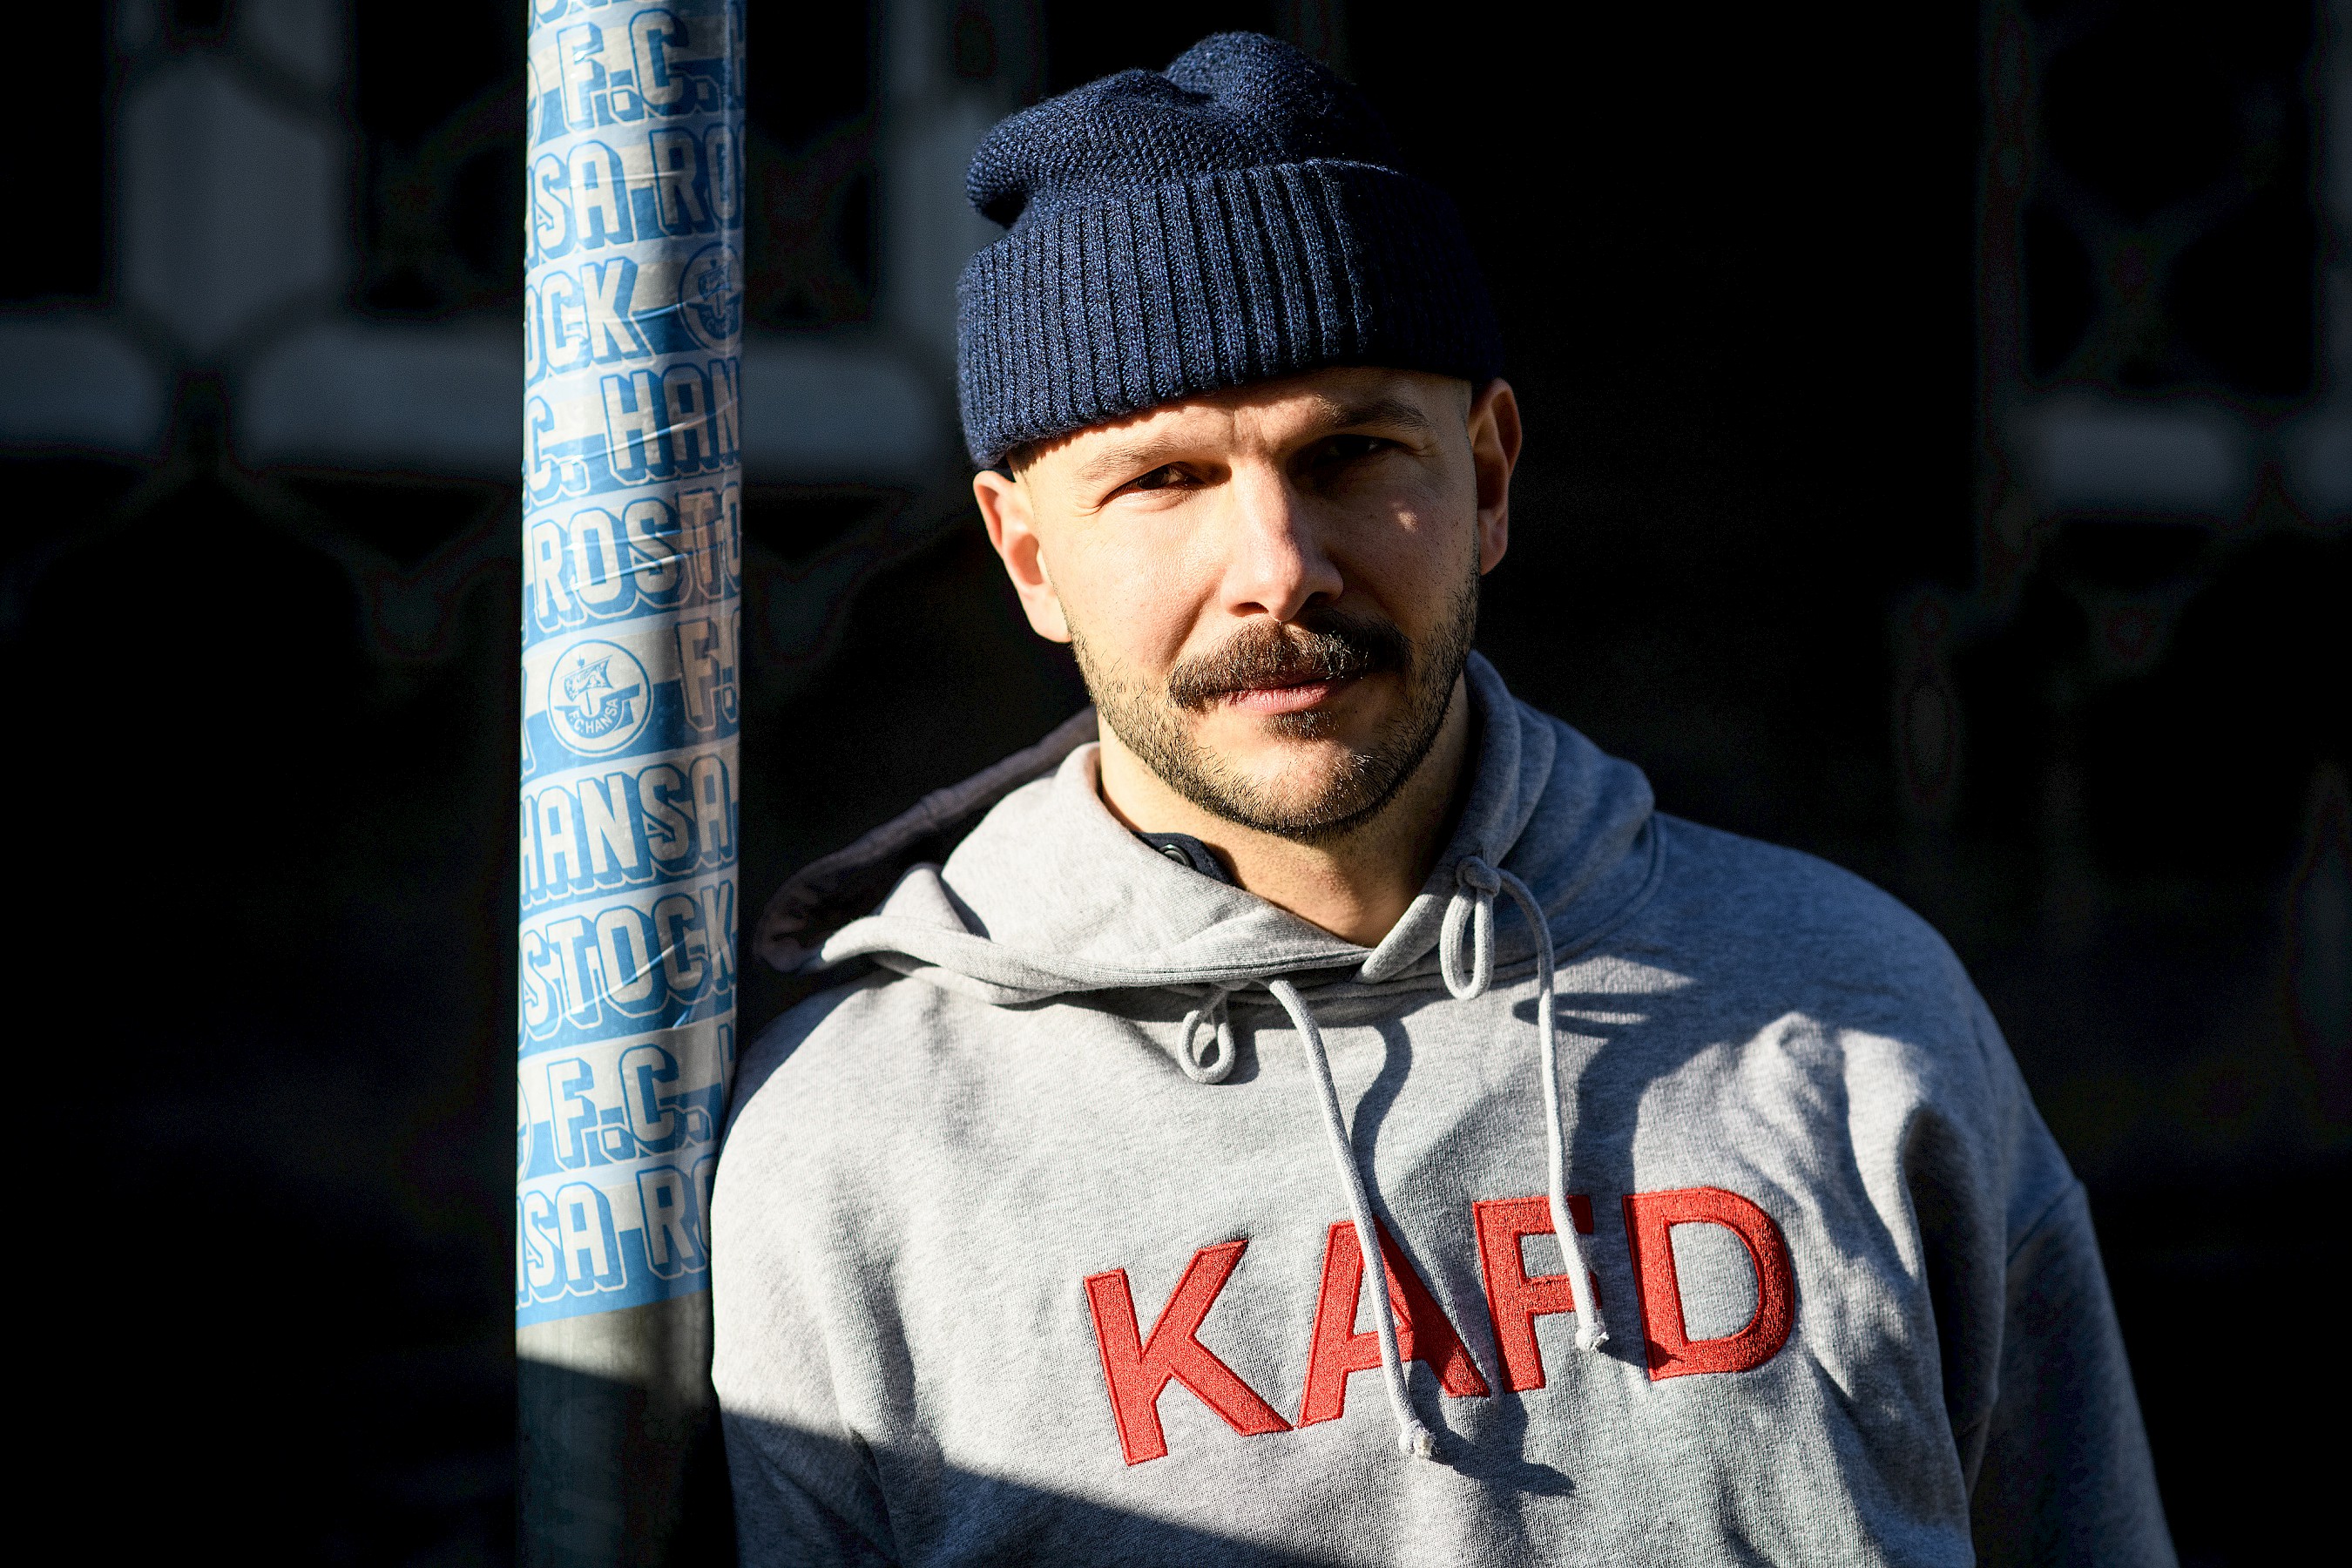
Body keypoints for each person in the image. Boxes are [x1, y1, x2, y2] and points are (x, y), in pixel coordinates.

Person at [713, 32, 2173, 1566]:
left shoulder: (1861, 1017)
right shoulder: (858, 1150)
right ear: (1027, 555)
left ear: (1487, 477)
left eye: (1352, 454)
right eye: (1164, 481)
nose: (1280, 569)